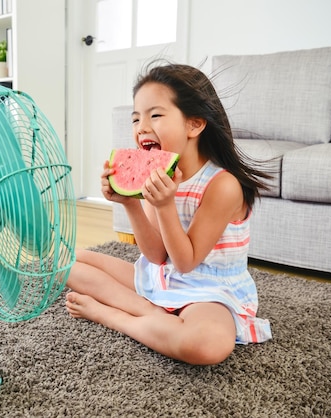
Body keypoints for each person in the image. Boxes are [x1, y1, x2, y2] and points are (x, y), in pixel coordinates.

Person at [65, 62, 272, 366]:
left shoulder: (223, 185)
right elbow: (156, 256)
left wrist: (164, 205)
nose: (141, 128)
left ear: (195, 124)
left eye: (156, 115)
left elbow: (186, 262)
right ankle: (154, 314)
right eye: (136, 119)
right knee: (66, 263)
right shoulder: (157, 171)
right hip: (162, 276)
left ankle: (118, 315)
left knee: (206, 346)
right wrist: (131, 203)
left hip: (209, 290)